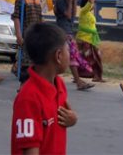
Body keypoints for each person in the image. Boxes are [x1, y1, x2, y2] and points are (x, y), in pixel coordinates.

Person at [11, 22, 77, 155]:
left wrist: (73, 119)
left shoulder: (59, 84)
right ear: (58, 56)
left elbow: (66, 112)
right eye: (68, 50)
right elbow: (30, 149)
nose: (70, 55)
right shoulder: (28, 98)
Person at [54, 0, 94, 91]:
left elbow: (73, 16)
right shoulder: (61, 0)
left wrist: (73, 1)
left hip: (68, 30)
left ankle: (77, 81)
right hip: (63, 31)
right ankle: (78, 81)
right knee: (71, 56)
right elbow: (67, 15)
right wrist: (70, 1)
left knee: (71, 57)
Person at [12, 0, 44, 84]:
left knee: (36, 62)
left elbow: (40, 18)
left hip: (37, 35)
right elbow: (16, 18)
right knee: (26, 64)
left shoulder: (38, 0)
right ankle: (23, 86)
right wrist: (19, 35)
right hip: (26, 35)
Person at [76, 0, 104, 82]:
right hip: (84, 39)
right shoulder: (83, 11)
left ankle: (97, 76)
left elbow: (93, 2)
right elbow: (91, 2)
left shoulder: (89, 14)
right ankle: (80, 76)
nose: (92, 5)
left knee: (96, 58)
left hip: (91, 38)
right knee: (86, 59)